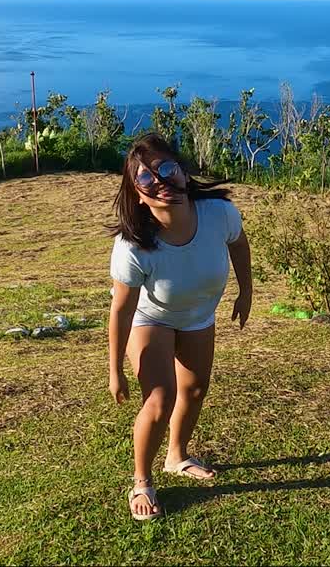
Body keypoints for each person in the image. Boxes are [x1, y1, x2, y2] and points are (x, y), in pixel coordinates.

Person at [107, 133, 253, 521]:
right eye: (146, 178)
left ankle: (177, 455)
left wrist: (246, 292)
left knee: (196, 389)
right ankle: (142, 481)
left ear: (184, 173)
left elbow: (239, 245)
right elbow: (122, 310)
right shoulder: (134, 246)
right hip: (151, 318)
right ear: (137, 194)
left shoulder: (219, 214)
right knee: (159, 399)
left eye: (167, 168)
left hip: (197, 316)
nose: (161, 181)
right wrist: (115, 372)